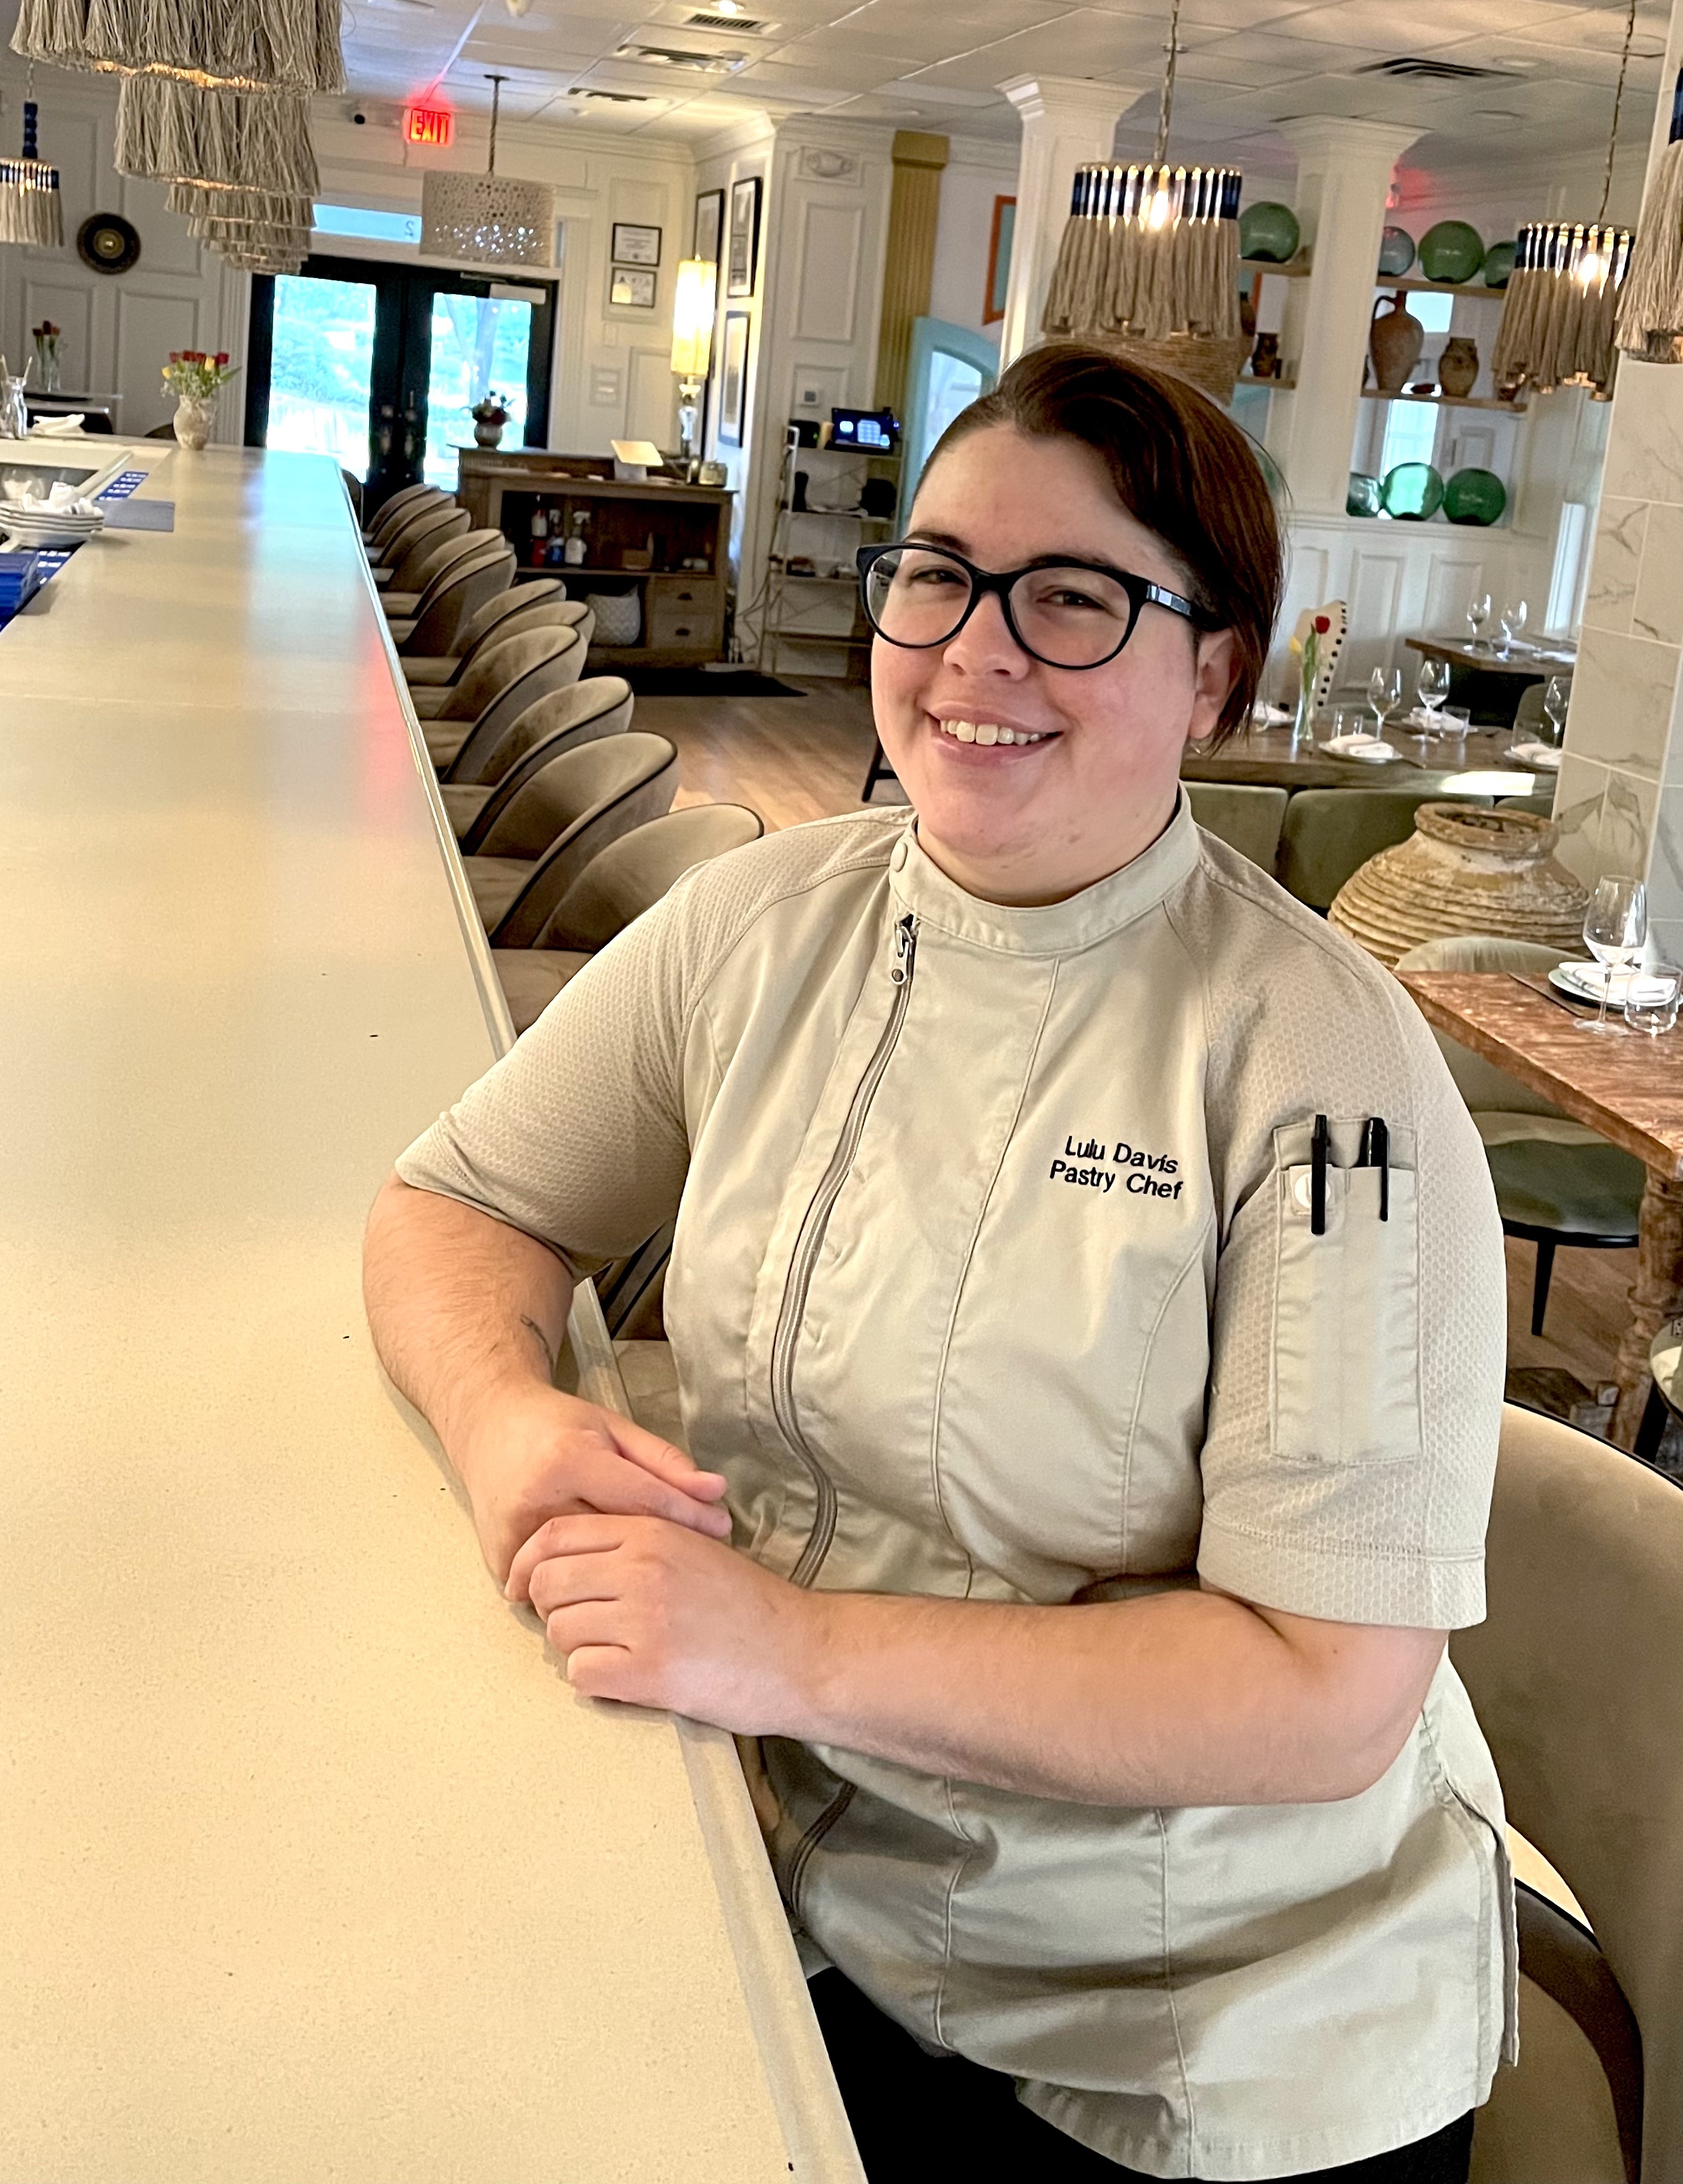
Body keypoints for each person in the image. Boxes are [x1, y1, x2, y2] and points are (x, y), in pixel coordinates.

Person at [368, 343, 1512, 2183]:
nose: (980, 651)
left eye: (1074, 600)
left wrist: (792, 1649)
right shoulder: (761, 923)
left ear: (1215, 673)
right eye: (940, 575)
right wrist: (504, 1415)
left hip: (1186, 2037)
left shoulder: (1328, 1075)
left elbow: (1326, 1693)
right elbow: (458, 1206)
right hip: (792, 1876)